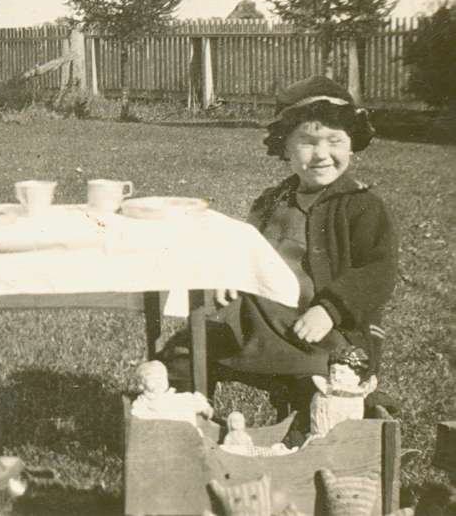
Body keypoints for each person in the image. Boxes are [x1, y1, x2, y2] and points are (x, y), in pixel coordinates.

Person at [163, 75, 398, 440]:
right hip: (257, 318)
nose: (321, 154)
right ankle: (182, 427)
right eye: (307, 142)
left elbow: (377, 271)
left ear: (352, 146)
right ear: (285, 148)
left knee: (326, 383)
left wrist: (331, 309)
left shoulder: (362, 207)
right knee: (186, 349)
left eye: (335, 141)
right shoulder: (272, 201)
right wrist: (229, 274)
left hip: (323, 331)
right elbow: (245, 248)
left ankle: (310, 435)